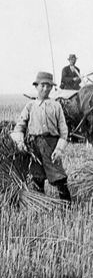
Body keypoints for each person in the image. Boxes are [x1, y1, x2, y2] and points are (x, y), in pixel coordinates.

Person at [11, 71, 72, 201]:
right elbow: (19, 127)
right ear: (36, 86)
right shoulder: (30, 106)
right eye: (42, 85)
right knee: (37, 176)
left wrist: (59, 149)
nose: (45, 89)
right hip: (34, 146)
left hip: (51, 146)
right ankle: (41, 203)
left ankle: (68, 206)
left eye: (48, 86)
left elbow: (64, 131)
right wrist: (20, 142)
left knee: (59, 177)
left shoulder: (56, 106)